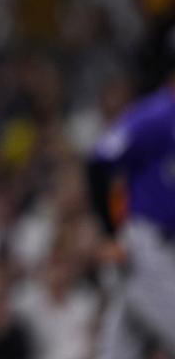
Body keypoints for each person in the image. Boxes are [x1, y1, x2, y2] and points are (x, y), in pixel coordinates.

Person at [88, 61, 175, 359]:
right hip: (147, 247)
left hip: (165, 255)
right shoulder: (156, 114)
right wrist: (110, 233)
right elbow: (98, 163)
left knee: (118, 348)